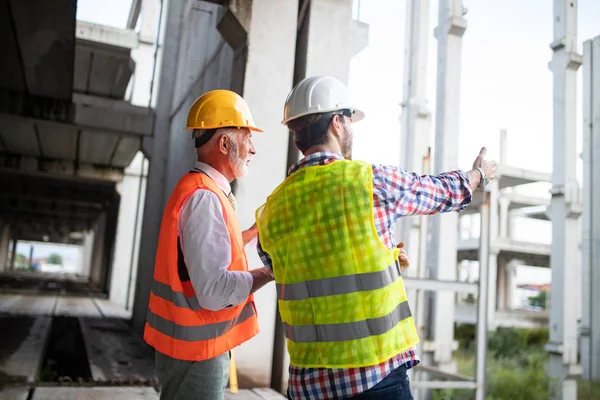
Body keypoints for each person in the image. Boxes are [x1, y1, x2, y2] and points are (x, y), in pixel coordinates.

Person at [255, 76, 496, 399]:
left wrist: (383, 257)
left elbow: (291, 269)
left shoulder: (272, 210)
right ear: (338, 123)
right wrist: (478, 174)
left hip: (307, 386)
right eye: (350, 120)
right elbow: (440, 191)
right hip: (374, 378)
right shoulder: (370, 182)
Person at [144, 89, 274, 400]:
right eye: (247, 138)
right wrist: (270, 273)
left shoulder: (202, 189)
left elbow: (206, 253)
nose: (253, 149)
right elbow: (214, 290)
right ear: (225, 143)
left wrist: (254, 231)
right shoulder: (205, 197)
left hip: (190, 344)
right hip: (197, 351)